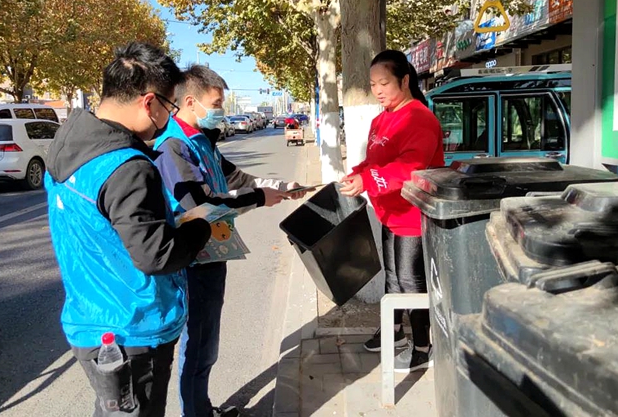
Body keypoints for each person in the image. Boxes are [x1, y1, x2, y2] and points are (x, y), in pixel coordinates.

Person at [45, 42, 213, 417]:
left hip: (90, 317)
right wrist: (200, 227)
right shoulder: (128, 167)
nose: (168, 118)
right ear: (149, 102)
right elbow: (157, 255)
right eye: (169, 107)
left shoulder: (69, 143)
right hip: (132, 328)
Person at [153, 65, 309, 417]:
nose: (221, 110)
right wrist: (259, 199)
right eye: (216, 103)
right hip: (192, 259)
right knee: (197, 343)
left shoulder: (201, 140)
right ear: (190, 102)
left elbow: (236, 177)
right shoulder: (173, 147)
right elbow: (200, 203)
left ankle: (202, 407)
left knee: (207, 341)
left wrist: (281, 187)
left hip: (212, 252)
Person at [339, 49, 444, 373]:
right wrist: (357, 174)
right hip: (389, 211)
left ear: (405, 80)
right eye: (373, 84)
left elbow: (411, 167)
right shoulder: (380, 119)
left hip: (412, 214)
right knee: (394, 277)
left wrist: (369, 179)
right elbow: (374, 161)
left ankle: (423, 346)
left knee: (411, 282)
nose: (378, 90)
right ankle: (394, 331)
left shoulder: (419, 118)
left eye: (384, 83)